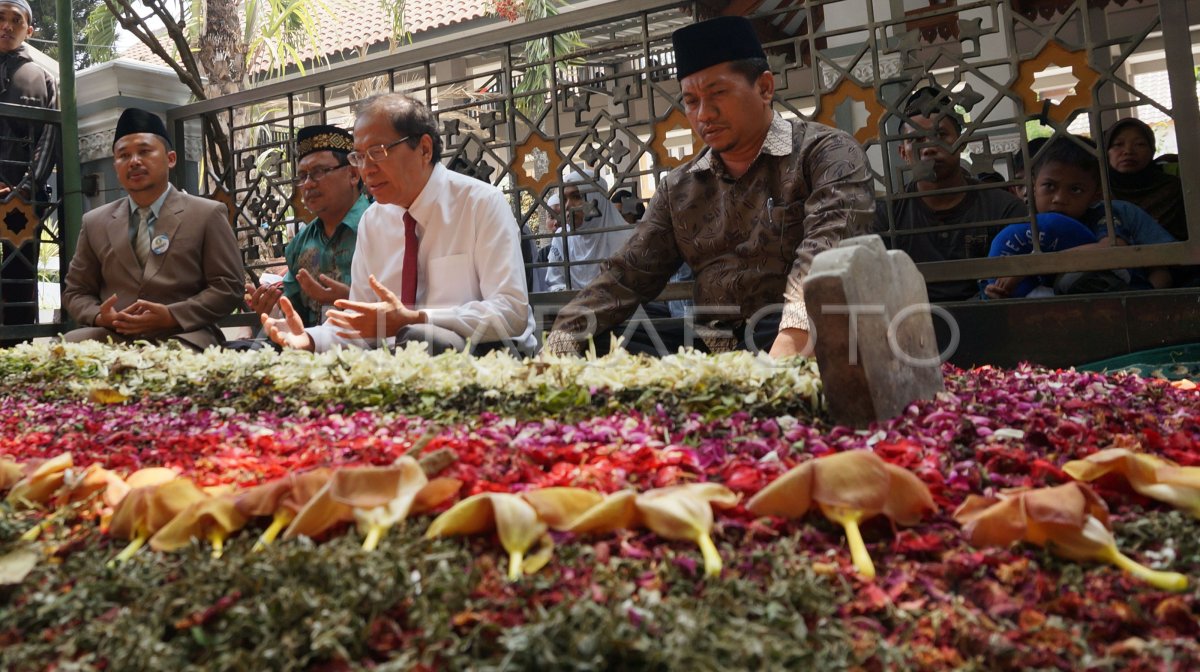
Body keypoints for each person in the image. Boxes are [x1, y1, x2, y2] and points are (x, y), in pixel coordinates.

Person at [545, 16, 874, 358]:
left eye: (718, 93)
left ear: (764, 88)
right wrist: (558, 344)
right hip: (715, 343)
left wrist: (779, 365)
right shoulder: (680, 187)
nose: (704, 113)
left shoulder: (825, 153)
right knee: (606, 341)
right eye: (691, 101)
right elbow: (625, 276)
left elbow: (823, 259)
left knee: (810, 321)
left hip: (794, 334)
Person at [260, 93, 535, 354]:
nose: (366, 169)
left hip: (487, 357)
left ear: (424, 149)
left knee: (423, 337)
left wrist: (417, 318)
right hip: (399, 363)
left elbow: (511, 312)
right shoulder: (374, 221)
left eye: (377, 152)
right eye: (359, 156)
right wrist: (308, 338)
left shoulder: (480, 203)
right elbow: (361, 326)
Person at [62, 107, 245, 349]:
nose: (134, 161)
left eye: (145, 151)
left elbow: (228, 287)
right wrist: (99, 316)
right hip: (114, 337)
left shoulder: (206, 214)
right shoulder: (95, 222)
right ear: (116, 167)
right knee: (61, 354)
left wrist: (172, 315)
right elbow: (75, 291)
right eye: (124, 156)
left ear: (171, 159)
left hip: (183, 335)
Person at [874, 86, 1027, 301]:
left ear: (960, 142)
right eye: (916, 140)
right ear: (903, 153)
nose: (928, 147)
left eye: (940, 135)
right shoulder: (886, 216)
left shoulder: (1003, 208)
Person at [983, 135, 1175, 299]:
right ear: (1033, 186)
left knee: (1073, 277)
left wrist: (1032, 265)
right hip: (1063, 319)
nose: (1059, 199)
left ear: (1096, 194)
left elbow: (1111, 249)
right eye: (1049, 186)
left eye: (1075, 189)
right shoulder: (1027, 228)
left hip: (1126, 301)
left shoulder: (1102, 214)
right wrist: (1001, 291)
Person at [243, 124, 368, 328]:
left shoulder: (379, 227)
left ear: (353, 175)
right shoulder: (301, 243)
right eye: (303, 176)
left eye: (319, 172)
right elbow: (294, 317)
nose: (308, 184)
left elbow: (402, 304)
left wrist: (350, 298)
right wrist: (273, 309)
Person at [0, 0, 58, 334]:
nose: (7, 26)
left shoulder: (44, 79)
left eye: (16, 20)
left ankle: (17, 351)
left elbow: (49, 137)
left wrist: (25, 187)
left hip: (23, 202)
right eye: (1, 18)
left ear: (29, 30)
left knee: (20, 276)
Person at [543, 170, 634, 292]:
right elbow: (554, 283)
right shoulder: (561, 238)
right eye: (564, 199)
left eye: (577, 196)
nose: (567, 206)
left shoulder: (628, 238)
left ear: (596, 198)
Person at [1105, 117, 1187, 242]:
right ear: (1106, 152)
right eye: (1118, 144)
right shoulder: (1098, 191)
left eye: (1140, 144)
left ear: (1152, 151)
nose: (1128, 151)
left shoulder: (1174, 189)